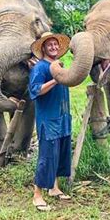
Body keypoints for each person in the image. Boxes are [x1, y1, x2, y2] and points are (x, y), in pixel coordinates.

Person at [29, 32, 72, 211]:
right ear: (44, 48)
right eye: (50, 45)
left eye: (56, 44)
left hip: (62, 118)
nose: (53, 47)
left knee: (60, 153)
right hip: (48, 119)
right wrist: (55, 80)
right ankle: (37, 194)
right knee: (46, 157)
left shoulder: (59, 65)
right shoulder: (40, 68)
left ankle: (54, 188)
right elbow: (35, 90)